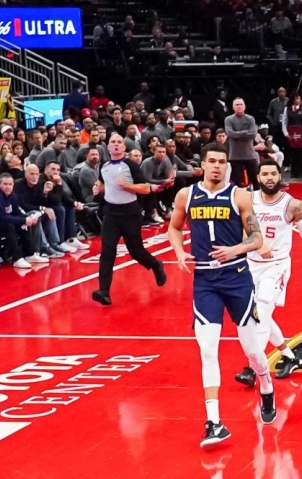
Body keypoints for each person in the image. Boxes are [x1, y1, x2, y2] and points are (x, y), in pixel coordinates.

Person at [166, 150, 268, 444]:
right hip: (205, 281)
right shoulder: (186, 195)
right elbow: (174, 228)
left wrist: (234, 249)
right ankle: (214, 422)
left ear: (227, 167)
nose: (217, 166)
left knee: (251, 350)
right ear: (203, 165)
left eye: (222, 162)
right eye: (212, 161)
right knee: (207, 350)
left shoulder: (240, 196)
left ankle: (265, 381)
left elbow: (256, 239)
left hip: (236, 277)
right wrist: (179, 252)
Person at [231, 161, 302, 387]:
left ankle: (253, 368)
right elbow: (241, 229)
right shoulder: (248, 200)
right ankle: (290, 357)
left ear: (279, 176)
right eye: (265, 174)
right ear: (259, 177)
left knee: (260, 313)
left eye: (273, 173)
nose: (269, 177)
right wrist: (255, 244)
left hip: (277, 266)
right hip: (251, 265)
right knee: (261, 314)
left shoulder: (292, 205)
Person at [92, 133, 168, 306]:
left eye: (119, 142)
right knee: (107, 251)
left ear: (124, 147)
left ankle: (156, 265)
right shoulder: (104, 166)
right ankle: (104, 291)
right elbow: (102, 182)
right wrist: (98, 188)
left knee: (135, 251)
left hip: (130, 213)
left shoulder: (131, 166)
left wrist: (127, 186)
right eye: (113, 142)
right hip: (111, 213)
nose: (116, 145)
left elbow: (146, 188)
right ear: (108, 147)